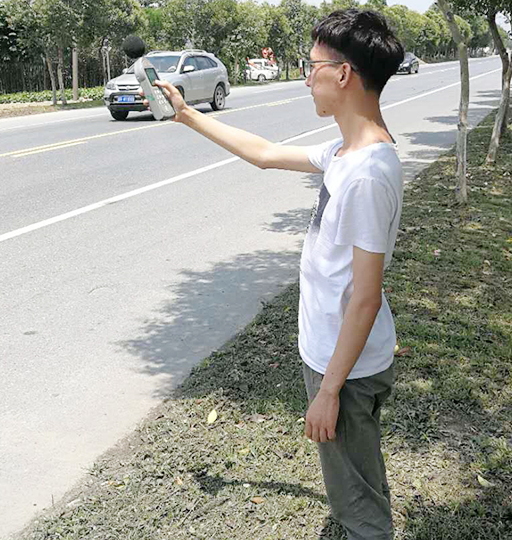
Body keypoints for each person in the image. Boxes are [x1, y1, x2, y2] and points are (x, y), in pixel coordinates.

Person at [153, 9, 404, 539]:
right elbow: (266, 154)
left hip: (348, 368)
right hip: (339, 355)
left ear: (343, 74)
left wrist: (330, 390)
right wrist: (188, 116)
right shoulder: (344, 151)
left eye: (310, 65)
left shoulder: (367, 173)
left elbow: (365, 297)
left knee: (356, 506)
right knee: (355, 476)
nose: (304, 76)